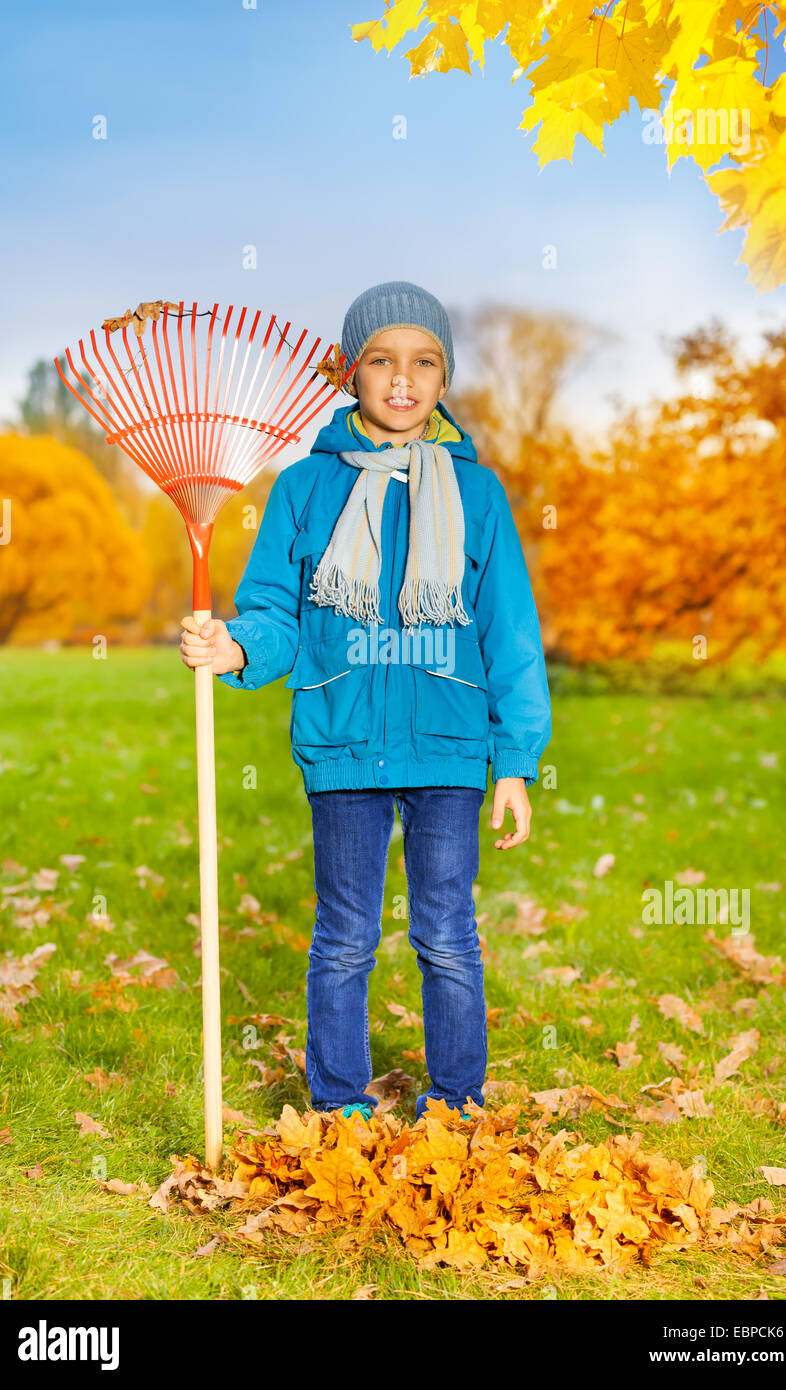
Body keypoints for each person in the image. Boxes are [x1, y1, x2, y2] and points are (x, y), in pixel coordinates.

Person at [180, 281, 551, 1125]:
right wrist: (237, 646)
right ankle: (338, 1100)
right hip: (342, 743)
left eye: (424, 362)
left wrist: (516, 764)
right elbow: (277, 607)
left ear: (444, 378)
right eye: (381, 360)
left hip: (449, 748)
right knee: (344, 938)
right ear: (352, 374)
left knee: (446, 936)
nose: (401, 379)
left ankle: (457, 1099)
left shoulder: (478, 494)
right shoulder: (305, 489)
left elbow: (510, 634)